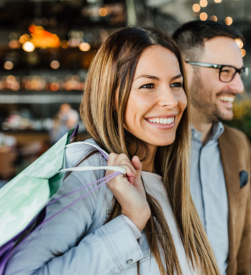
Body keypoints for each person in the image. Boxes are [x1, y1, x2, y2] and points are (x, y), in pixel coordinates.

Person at [5, 27, 220, 275]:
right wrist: (129, 224)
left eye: (176, 84)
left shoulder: (172, 174)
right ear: (112, 97)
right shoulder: (88, 170)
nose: (171, 101)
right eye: (148, 85)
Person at [173, 21, 251, 275]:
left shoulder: (238, 144)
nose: (238, 86)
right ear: (184, 70)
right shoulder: (151, 148)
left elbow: (245, 227)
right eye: (226, 71)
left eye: (239, 72)